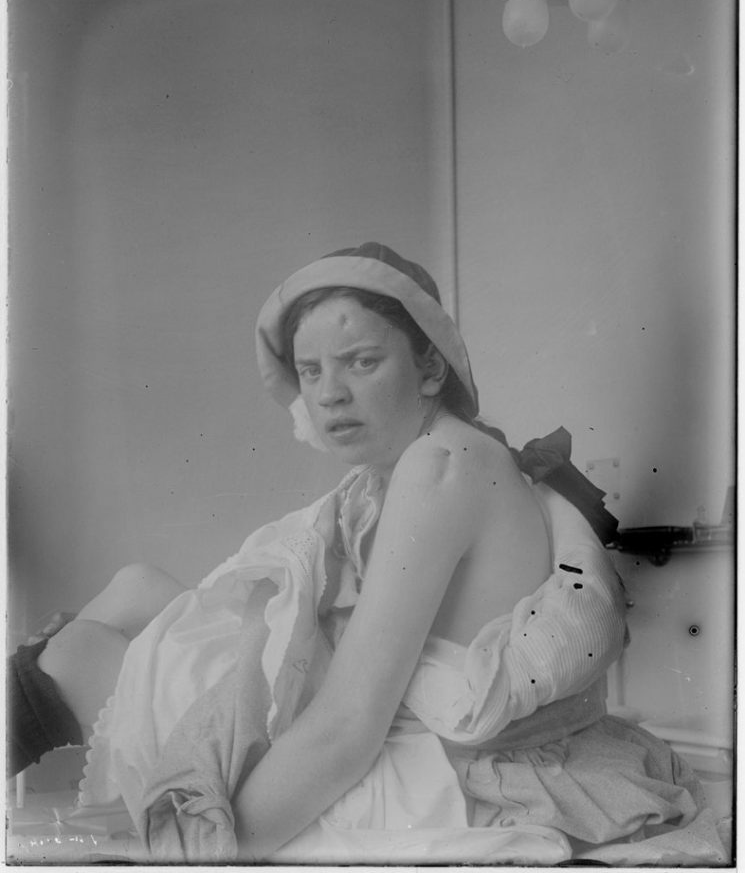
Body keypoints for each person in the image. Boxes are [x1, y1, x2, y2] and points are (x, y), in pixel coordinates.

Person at [8, 243, 727, 865]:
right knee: (135, 587)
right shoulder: (420, 463)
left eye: (361, 362)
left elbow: (349, 727)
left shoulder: (439, 466)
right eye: (311, 371)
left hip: (422, 763)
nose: (330, 395)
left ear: (429, 368)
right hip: (394, 718)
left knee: (76, 651)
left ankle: (24, 687)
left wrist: (217, 851)